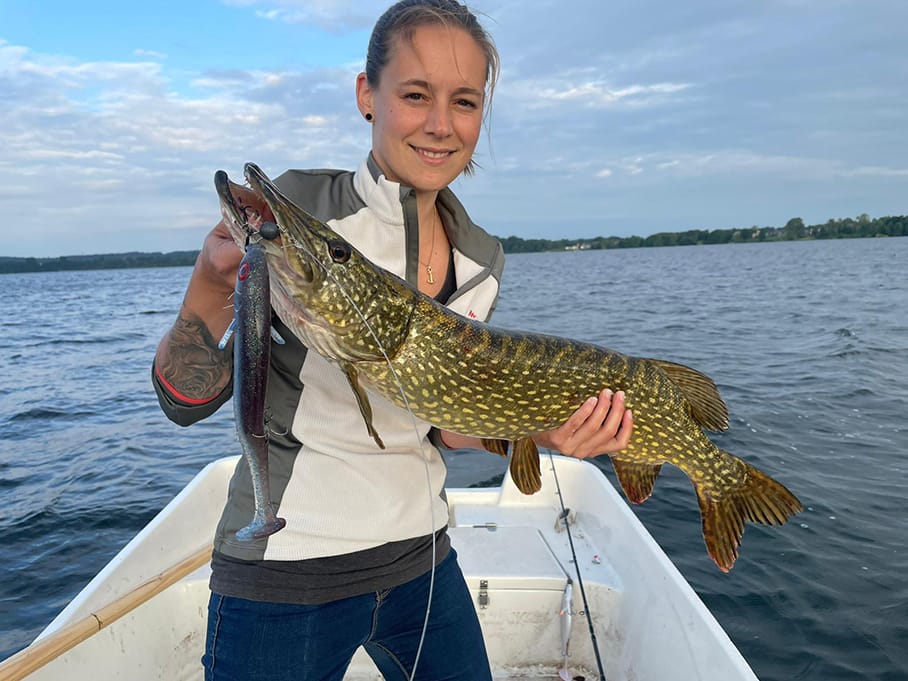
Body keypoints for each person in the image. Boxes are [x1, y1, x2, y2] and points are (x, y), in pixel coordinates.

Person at [152, 1, 633, 679]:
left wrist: (543, 429)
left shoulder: (480, 257)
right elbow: (184, 402)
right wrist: (209, 281)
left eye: (463, 101)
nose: (440, 124)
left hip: (422, 564)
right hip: (287, 573)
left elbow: (449, 424)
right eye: (415, 95)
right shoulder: (302, 207)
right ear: (366, 96)